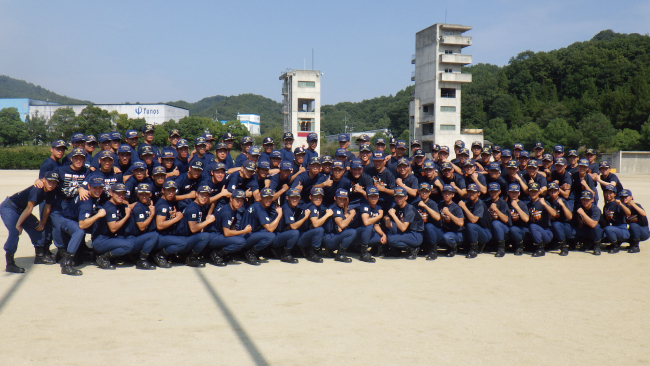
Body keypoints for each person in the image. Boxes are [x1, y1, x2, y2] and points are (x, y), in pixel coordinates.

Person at [1, 172, 59, 273]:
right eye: (50, 181)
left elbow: (47, 208)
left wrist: (43, 222)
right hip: (10, 207)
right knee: (15, 232)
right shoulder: (37, 189)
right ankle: (10, 264)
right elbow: (29, 208)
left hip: (22, 210)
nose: (51, 184)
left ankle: (39, 257)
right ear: (44, 180)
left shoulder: (52, 191)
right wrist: (19, 225)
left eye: (54, 183)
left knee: (38, 227)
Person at [91, 184, 137, 270]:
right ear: (111, 193)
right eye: (118, 194)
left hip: (109, 239)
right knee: (129, 245)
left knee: (133, 240)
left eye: (123, 194)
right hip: (100, 241)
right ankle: (103, 258)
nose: (121, 196)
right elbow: (113, 228)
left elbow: (128, 206)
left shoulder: (118, 204)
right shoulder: (109, 207)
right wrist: (127, 216)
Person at [173, 184, 214, 267]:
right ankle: (191, 258)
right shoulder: (193, 208)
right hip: (181, 239)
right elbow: (193, 228)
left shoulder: (200, 206)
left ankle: (187, 255)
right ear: (196, 194)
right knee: (205, 236)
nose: (204, 197)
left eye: (207, 196)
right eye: (202, 195)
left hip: (187, 238)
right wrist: (208, 221)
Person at [206, 189, 250, 266]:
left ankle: (226, 254)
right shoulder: (227, 212)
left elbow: (232, 226)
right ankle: (217, 254)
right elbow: (227, 233)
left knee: (241, 238)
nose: (239, 203)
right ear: (231, 199)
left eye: (241, 201)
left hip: (218, 234)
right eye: (237, 200)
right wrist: (244, 231)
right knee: (241, 241)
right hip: (212, 236)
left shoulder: (233, 209)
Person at [239, 187, 282, 265]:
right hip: (243, 237)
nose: (268, 200)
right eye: (266, 198)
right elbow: (270, 229)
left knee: (267, 232)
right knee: (270, 236)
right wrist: (279, 215)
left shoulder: (259, 206)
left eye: (270, 197)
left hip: (248, 234)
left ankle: (251, 252)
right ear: (261, 198)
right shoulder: (259, 208)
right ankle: (251, 253)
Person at [125, 183, 160, 269]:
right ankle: (142, 260)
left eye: (146, 194)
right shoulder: (138, 207)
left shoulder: (149, 205)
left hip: (140, 237)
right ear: (137, 195)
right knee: (154, 235)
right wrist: (152, 214)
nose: (144, 196)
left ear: (150, 194)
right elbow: (141, 227)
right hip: (132, 239)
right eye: (141, 194)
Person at [384, 187, 424, 259]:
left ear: (406, 197)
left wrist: (393, 215)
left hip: (415, 235)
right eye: (396, 196)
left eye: (401, 197)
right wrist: (387, 219)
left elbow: (403, 228)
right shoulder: (397, 206)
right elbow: (386, 215)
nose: (398, 199)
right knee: (391, 226)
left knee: (390, 239)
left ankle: (412, 249)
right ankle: (396, 250)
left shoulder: (409, 209)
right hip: (407, 232)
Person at [458, 183, 492, 258]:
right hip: (475, 231)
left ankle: (473, 249)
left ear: (479, 193)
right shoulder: (469, 203)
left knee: (470, 225)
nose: (471, 194)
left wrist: (464, 207)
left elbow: (473, 220)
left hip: (485, 232)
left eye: (473, 192)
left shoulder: (480, 204)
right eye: (469, 192)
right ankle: (466, 247)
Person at [322, 188, 355, 262]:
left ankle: (330, 251)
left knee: (346, 229)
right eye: (340, 199)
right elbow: (342, 224)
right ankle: (340, 255)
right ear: (335, 198)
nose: (342, 201)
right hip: (328, 238)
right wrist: (351, 215)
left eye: (344, 199)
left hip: (331, 235)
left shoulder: (340, 208)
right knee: (352, 232)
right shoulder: (335, 208)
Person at [413, 183, 442, 260]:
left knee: (428, 226)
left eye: (426, 191)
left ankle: (433, 251)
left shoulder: (432, 203)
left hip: (436, 232)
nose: (424, 193)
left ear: (429, 192)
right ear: (419, 192)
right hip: (423, 231)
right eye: (422, 191)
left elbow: (437, 217)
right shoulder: (415, 204)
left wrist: (425, 206)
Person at [545, 182, 574, 256]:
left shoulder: (563, 201)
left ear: (558, 191)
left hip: (565, 226)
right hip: (552, 227)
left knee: (556, 224)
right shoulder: (547, 201)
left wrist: (562, 205)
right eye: (550, 191)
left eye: (554, 191)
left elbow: (570, 217)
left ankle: (563, 246)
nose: (552, 193)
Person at [525, 182, 554, 257]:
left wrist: (544, 204)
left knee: (532, 226)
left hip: (546, 232)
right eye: (531, 191)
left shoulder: (544, 202)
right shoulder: (528, 205)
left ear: (539, 192)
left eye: (535, 191)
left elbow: (554, 214)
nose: (533, 193)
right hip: (533, 233)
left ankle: (540, 249)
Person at [601, 184, 631, 254]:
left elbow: (628, 213)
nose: (608, 195)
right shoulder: (606, 205)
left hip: (622, 229)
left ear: (615, 194)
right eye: (606, 192)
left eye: (610, 193)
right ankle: (613, 243)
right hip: (613, 228)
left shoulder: (618, 203)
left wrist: (621, 205)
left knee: (608, 229)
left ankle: (615, 246)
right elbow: (606, 220)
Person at [573, 191, 603, 255]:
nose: (585, 202)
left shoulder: (595, 209)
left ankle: (596, 245)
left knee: (596, 227)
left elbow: (593, 224)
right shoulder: (579, 207)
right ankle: (587, 242)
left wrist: (583, 213)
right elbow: (577, 216)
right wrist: (580, 224)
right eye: (583, 200)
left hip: (598, 232)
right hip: (586, 229)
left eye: (587, 200)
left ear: (592, 200)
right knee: (571, 232)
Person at [438, 185, 465, 257]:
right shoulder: (440, 204)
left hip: (457, 233)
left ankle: (453, 248)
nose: (446, 195)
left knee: (446, 237)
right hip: (445, 230)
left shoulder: (456, 208)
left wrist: (448, 213)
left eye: (449, 193)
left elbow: (461, 223)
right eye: (445, 193)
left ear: (453, 195)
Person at [486, 182, 511, 257]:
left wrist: (496, 210)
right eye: (491, 191)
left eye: (495, 191)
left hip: (504, 230)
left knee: (496, 223)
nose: (493, 193)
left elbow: (506, 219)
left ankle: (501, 248)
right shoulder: (487, 203)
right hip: (492, 230)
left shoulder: (503, 203)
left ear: (499, 192)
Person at [506, 183, 530, 256]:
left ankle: (520, 246)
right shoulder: (505, 203)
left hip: (522, 229)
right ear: (508, 192)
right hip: (510, 228)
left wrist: (516, 207)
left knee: (513, 229)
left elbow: (526, 219)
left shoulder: (522, 204)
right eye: (511, 192)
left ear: (519, 193)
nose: (513, 194)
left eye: (515, 192)